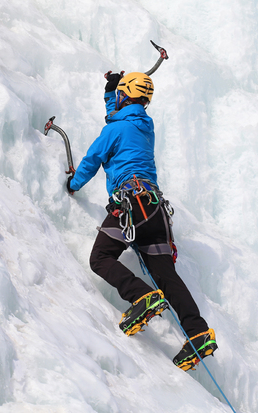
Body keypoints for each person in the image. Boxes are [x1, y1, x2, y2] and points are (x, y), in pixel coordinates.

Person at [65, 71, 217, 371]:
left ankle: (142, 296)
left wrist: (72, 185)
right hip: (156, 211)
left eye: (119, 94)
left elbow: (93, 159)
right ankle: (198, 333)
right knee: (166, 275)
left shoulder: (115, 130)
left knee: (100, 258)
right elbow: (120, 117)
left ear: (125, 96)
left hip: (131, 205)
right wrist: (112, 90)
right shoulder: (144, 127)